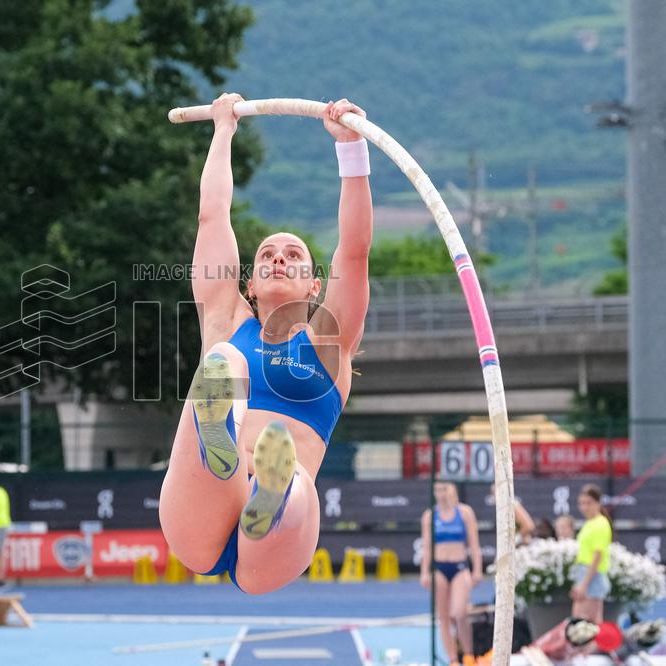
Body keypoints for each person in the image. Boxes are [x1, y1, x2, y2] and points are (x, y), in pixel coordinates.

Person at [159, 93, 373, 595]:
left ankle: (273, 492)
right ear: (249, 283)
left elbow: (356, 250)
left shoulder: (329, 340)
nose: (278, 259)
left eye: (293, 254)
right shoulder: (226, 321)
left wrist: (351, 151)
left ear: (314, 286)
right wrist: (222, 131)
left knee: (293, 485)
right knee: (224, 360)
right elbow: (212, 219)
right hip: (202, 515)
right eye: (267, 255)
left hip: (275, 550)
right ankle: (227, 450)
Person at [420, 482, 484, 666]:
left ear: (452, 490)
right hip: (439, 568)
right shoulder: (430, 516)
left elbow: (474, 544)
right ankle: (453, 659)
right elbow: (427, 546)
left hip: (459, 567)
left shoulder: (464, 513)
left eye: (444, 489)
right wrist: (424, 572)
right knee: (444, 616)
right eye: (437, 490)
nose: (441, 494)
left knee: (460, 612)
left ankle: (469, 654)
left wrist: (477, 569)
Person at [570, 483, 612, 623]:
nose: (584, 507)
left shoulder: (600, 524)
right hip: (586, 574)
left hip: (592, 576)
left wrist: (584, 585)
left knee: (582, 627)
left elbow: (597, 556)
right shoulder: (590, 523)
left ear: (598, 503)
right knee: (590, 625)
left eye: (589, 503)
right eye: (581, 503)